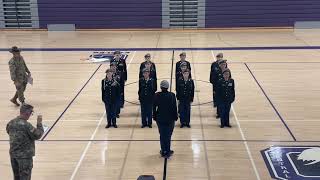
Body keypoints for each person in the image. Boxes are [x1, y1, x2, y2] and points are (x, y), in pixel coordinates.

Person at [6, 104, 44, 180]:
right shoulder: (26, 125)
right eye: (31, 113)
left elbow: (8, 131)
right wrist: (39, 124)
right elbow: (37, 135)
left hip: (13, 155)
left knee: (16, 177)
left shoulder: (11, 123)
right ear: (27, 113)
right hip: (24, 157)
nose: (30, 115)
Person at [153, 80, 178, 158]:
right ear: (168, 87)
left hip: (160, 119)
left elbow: (154, 107)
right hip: (170, 119)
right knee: (168, 135)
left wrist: (154, 116)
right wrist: (175, 116)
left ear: (160, 87)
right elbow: (174, 107)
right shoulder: (172, 95)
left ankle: (163, 150)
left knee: (162, 135)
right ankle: (167, 151)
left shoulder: (156, 95)